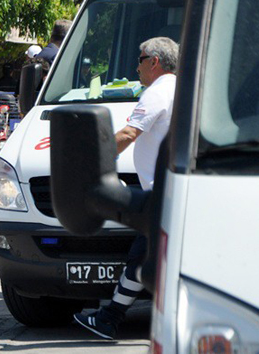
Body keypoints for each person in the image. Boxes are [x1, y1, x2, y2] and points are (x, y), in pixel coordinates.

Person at [73, 37, 179, 340]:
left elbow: (130, 132)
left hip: (163, 192)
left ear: (154, 62)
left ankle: (110, 318)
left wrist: (91, 158)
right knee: (146, 257)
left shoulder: (157, 92)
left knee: (141, 257)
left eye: (140, 58)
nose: (136, 66)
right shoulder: (182, 88)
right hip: (172, 189)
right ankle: (112, 317)